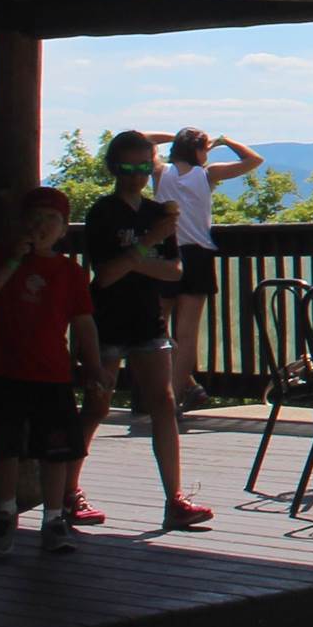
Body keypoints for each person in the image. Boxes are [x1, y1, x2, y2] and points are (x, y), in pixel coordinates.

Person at [83, 131, 216, 529]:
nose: (138, 174)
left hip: (147, 319)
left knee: (164, 404)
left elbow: (174, 271)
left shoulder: (158, 213)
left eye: (145, 166)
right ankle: (68, 491)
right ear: (114, 168)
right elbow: (105, 276)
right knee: (96, 406)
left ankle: (174, 499)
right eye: (129, 167)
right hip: (107, 319)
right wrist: (148, 247)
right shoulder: (103, 213)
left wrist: (131, 259)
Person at [0, 187, 102, 555]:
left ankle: (54, 518)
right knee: (5, 447)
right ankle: (4, 513)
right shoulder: (1, 258)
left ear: (63, 229)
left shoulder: (70, 272)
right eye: (35, 218)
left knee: (56, 451)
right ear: (21, 223)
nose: (42, 226)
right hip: (4, 371)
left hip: (52, 373)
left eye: (51, 219)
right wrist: (13, 259)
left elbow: (84, 321)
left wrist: (93, 365)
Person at [144, 127, 263, 410]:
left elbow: (143, 139)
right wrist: (224, 140)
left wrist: (175, 137)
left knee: (153, 327)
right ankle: (177, 395)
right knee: (186, 335)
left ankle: (179, 390)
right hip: (198, 255)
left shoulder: (159, 172)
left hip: (164, 253)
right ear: (199, 150)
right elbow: (253, 160)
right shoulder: (208, 174)